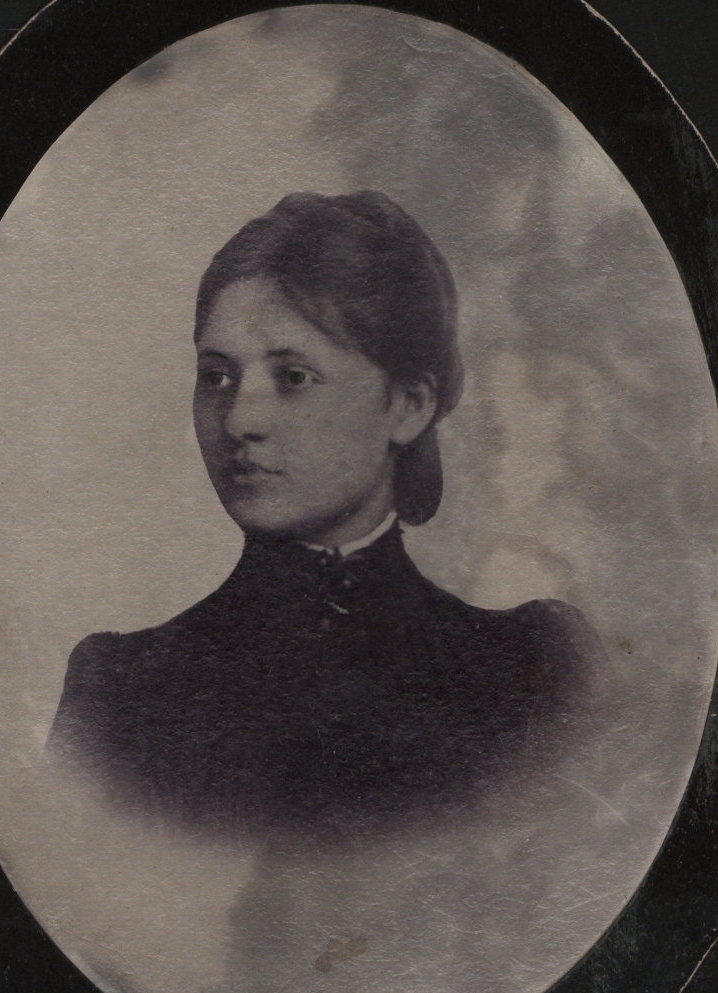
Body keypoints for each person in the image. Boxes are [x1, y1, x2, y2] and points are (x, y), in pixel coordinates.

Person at [47, 191, 605, 843]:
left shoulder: (532, 671)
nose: (239, 420)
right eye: (217, 376)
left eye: (293, 377)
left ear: (408, 405)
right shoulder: (121, 693)